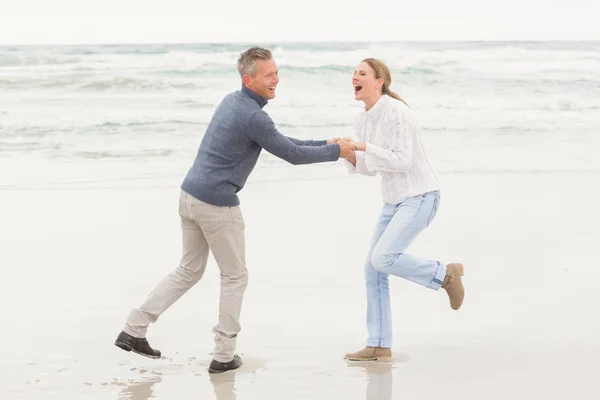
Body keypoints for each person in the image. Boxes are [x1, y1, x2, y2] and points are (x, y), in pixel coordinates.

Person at [114, 46, 356, 373]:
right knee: (235, 276)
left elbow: (281, 141)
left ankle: (133, 328)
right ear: (249, 78)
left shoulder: (233, 101)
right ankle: (224, 355)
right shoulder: (252, 116)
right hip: (215, 203)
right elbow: (291, 154)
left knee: (188, 270)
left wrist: (328, 145)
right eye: (269, 75)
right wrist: (336, 152)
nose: (276, 80)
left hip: (189, 196)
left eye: (276, 72)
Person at [343, 58, 465, 362]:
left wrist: (362, 147)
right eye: (354, 73)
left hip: (421, 195)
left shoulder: (397, 112)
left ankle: (444, 274)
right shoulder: (363, 120)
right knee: (373, 269)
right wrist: (345, 151)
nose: (354, 77)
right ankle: (379, 345)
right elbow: (371, 169)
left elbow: (402, 161)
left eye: (362, 73)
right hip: (394, 201)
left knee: (383, 257)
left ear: (379, 82)